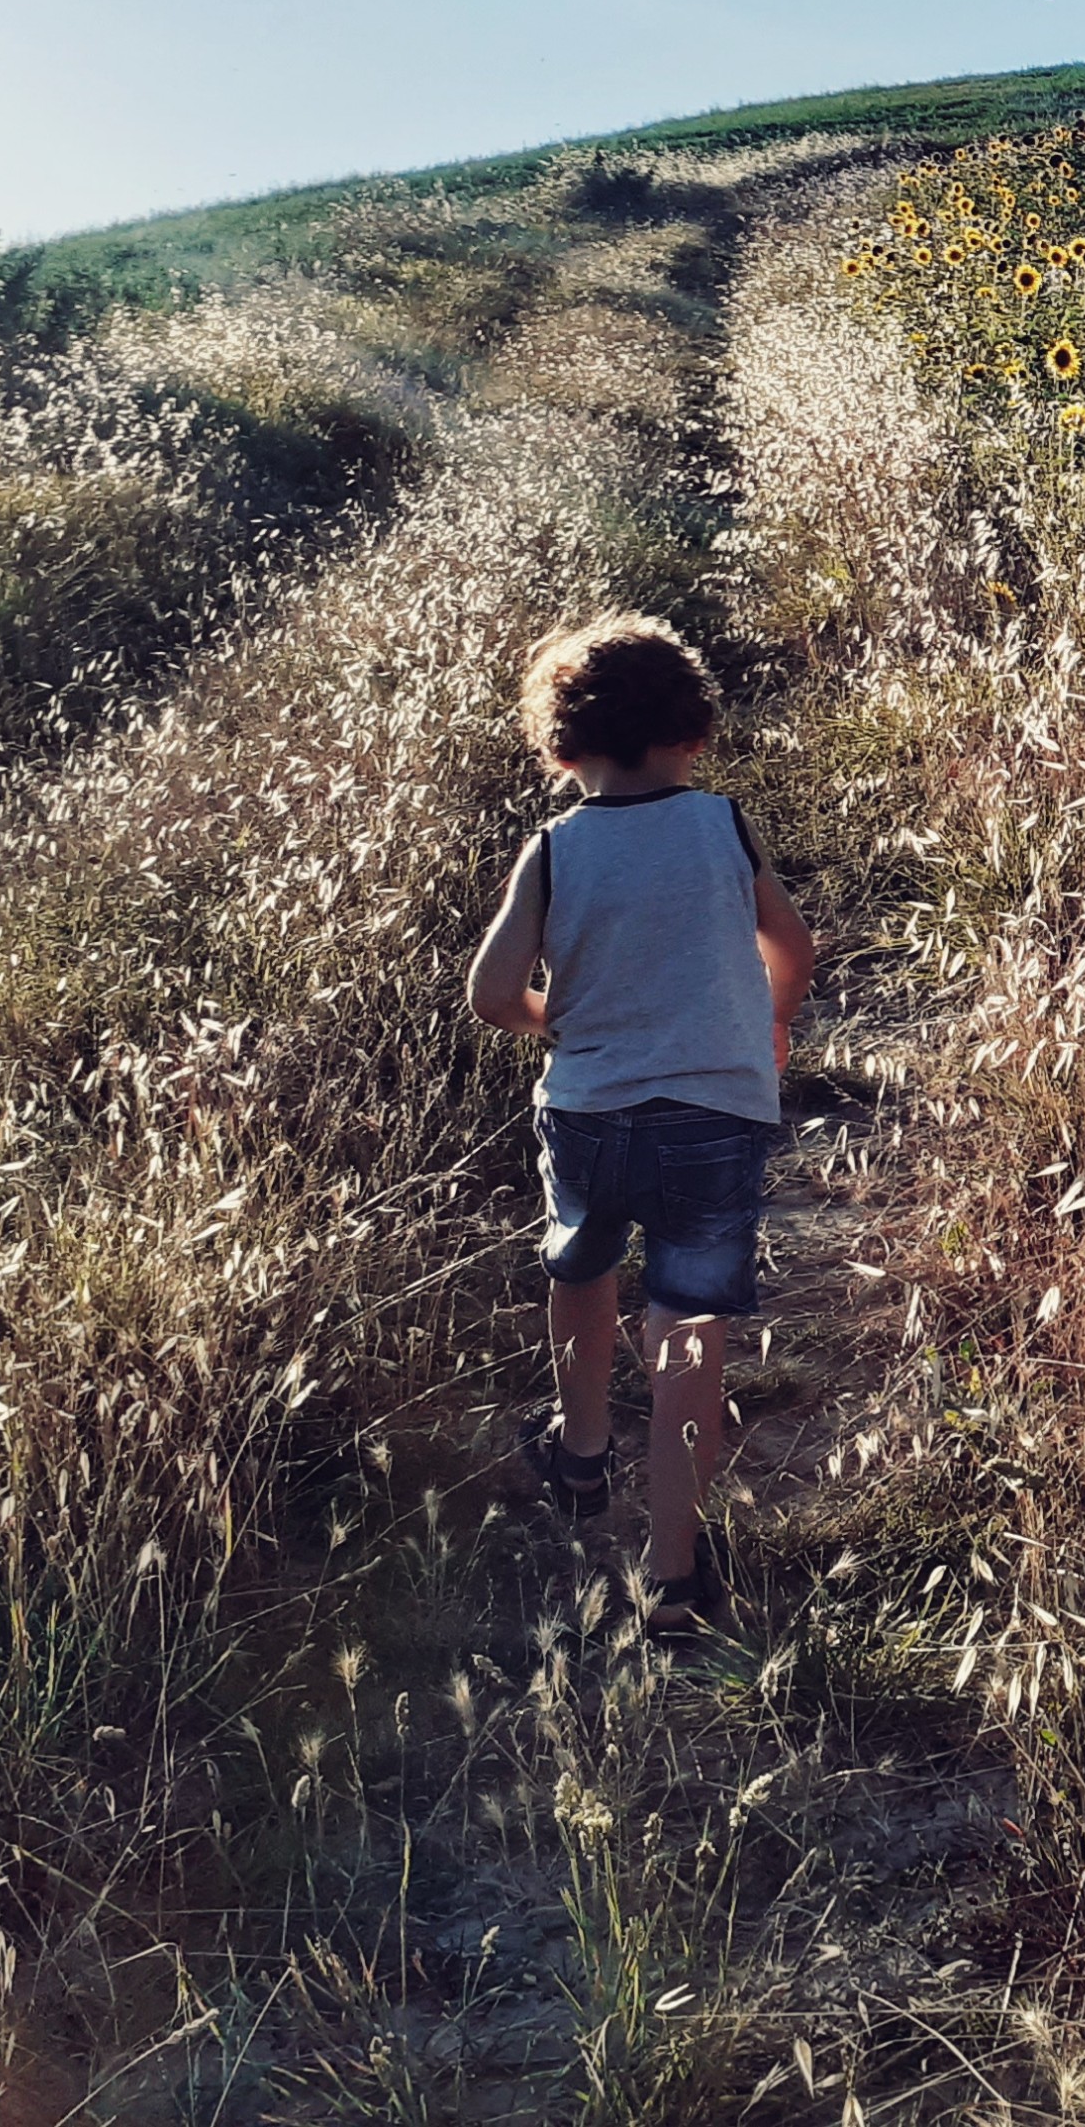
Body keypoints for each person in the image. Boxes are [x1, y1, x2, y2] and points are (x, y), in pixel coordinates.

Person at [465, 612, 812, 1638]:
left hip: (587, 1108)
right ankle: (671, 1571)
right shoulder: (721, 825)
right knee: (686, 1331)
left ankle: (579, 1452)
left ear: (561, 747)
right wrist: (773, 1021)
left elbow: (492, 992)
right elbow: (790, 940)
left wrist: (558, 1023)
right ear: (693, 731)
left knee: (581, 1267)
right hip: (714, 1108)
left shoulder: (555, 848)